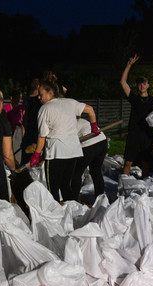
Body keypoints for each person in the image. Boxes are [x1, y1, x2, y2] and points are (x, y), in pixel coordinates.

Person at [31, 74, 99, 202]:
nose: (39, 97)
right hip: (73, 152)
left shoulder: (44, 109)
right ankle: (71, 213)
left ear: (50, 93)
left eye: (41, 94)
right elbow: (90, 109)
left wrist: (36, 154)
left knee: (53, 189)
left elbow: (42, 136)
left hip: (56, 153)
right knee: (65, 186)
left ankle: (56, 216)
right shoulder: (70, 102)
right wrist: (93, 125)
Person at [120, 54, 153, 178]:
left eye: (144, 83)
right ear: (137, 86)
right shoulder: (134, 99)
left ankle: (145, 183)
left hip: (147, 133)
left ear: (148, 85)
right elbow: (122, 82)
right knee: (128, 161)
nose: (141, 85)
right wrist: (129, 65)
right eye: (139, 84)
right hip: (134, 133)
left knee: (146, 161)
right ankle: (124, 183)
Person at [71, 117, 108, 202]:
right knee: (96, 172)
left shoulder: (69, 124)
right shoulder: (83, 121)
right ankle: (100, 200)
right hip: (102, 141)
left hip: (89, 145)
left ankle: (74, 201)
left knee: (76, 173)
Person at [21, 78, 42, 164]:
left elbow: (24, 119)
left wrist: (23, 135)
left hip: (30, 131)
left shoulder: (27, 100)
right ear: (38, 86)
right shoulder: (41, 100)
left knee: (26, 157)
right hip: (38, 131)